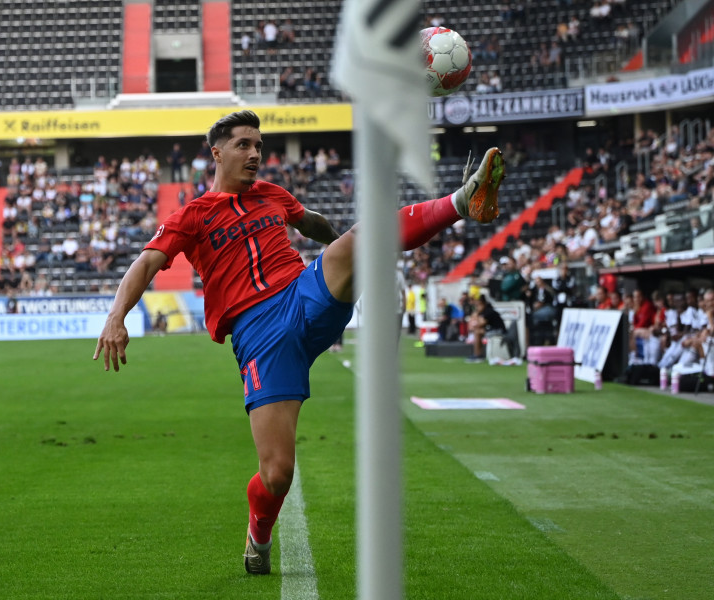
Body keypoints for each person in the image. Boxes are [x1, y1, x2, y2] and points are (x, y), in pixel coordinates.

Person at [93, 110, 506, 575]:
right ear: (217, 153)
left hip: (303, 294)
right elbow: (146, 264)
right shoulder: (192, 216)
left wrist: (350, 253)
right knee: (277, 474)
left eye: (259, 146)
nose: (254, 154)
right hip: (260, 334)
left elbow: (314, 223)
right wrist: (115, 317)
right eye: (244, 145)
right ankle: (259, 534)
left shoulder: (273, 195)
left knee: (360, 238)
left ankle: (461, 201)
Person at [467, 294, 506, 361]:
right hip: (492, 330)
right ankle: (477, 354)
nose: (476, 307)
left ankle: (478, 355)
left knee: (477, 332)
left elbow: (480, 324)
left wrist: (476, 315)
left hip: (499, 331)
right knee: (477, 331)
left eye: (478, 304)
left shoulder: (488, 311)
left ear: (481, 302)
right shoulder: (484, 311)